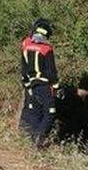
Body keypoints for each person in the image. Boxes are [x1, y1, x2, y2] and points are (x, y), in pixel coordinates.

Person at [19, 18, 59, 146]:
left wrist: (26, 84)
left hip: (30, 85)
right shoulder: (47, 49)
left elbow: (23, 67)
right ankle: (39, 137)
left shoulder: (25, 44)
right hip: (44, 86)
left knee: (33, 111)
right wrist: (56, 86)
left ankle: (27, 138)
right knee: (49, 113)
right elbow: (51, 70)